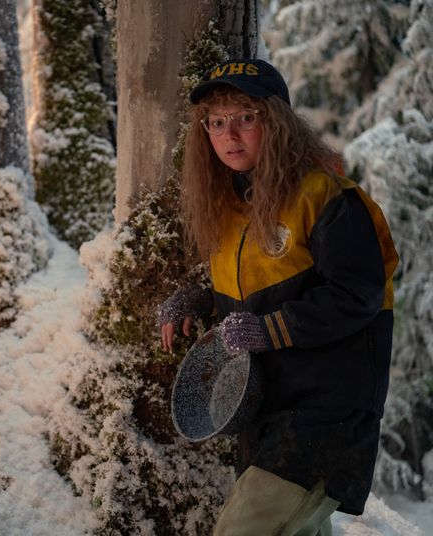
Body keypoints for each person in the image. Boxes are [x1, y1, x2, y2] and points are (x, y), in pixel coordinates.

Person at [158, 59, 399, 536]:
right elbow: (261, 289)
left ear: (278, 121)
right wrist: (202, 299)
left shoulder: (325, 196)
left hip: (325, 410)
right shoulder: (230, 207)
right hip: (268, 408)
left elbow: (359, 293)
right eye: (216, 122)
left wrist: (268, 329)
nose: (230, 135)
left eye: (246, 117)